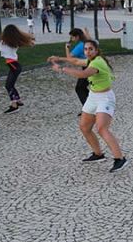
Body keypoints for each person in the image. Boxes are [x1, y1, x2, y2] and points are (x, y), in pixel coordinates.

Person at [49, 39, 128, 173]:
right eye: (85, 49)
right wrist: (59, 58)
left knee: (102, 128)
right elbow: (75, 61)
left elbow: (83, 74)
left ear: (96, 51)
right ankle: (98, 154)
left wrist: (62, 68)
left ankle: (120, 159)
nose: (87, 51)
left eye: (90, 49)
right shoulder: (91, 60)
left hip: (105, 98)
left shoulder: (97, 62)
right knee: (84, 127)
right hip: (93, 97)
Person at [0, 24, 34, 114]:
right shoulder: (14, 43)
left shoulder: (2, 43)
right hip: (15, 65)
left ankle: (14, 105)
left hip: (13, 65)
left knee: (8, 85)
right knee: (10, 84)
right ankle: (18, 100)